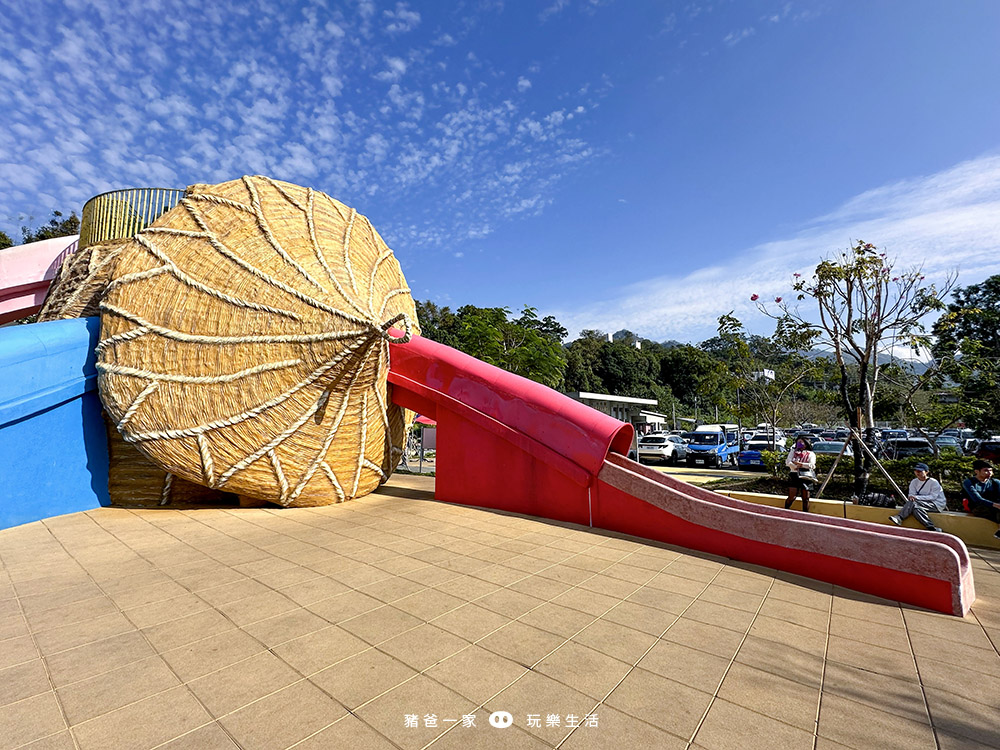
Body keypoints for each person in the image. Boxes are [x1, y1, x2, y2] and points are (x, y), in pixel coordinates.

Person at [889, 463, 945, 532]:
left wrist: (916, 498)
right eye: (916, 471)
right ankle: (931, 528)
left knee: (914, 504)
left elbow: (933, 497)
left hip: (936, 504)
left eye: (920, 471)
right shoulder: (914, 482)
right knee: (915, 509)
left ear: (927, 472)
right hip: (919, 503)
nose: (917, 473)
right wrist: (912, 497)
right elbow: (911, 494)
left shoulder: (933, 482)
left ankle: (900, 517)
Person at [962, 459, 1000, 540]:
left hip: (996, 507)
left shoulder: (995, 482)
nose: (989, 473)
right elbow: (977, 499)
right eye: (986, 470)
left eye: (991, 470)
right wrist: (995, 505)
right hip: (978, 507)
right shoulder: (969, 482)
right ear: (977, 471)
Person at [785, 436, 816, 513]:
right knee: (792, 496)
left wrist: (801, 465)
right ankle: (785, 511)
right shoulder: (793, 452)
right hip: (794, 475)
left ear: (806, 444)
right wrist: (795, 466)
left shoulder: (811, 454)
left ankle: (805, 514)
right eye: (798, 442)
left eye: (801, 442)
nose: (799, 444)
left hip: (805, 476)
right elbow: (788, 462)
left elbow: (812, 465)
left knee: (805, 498)